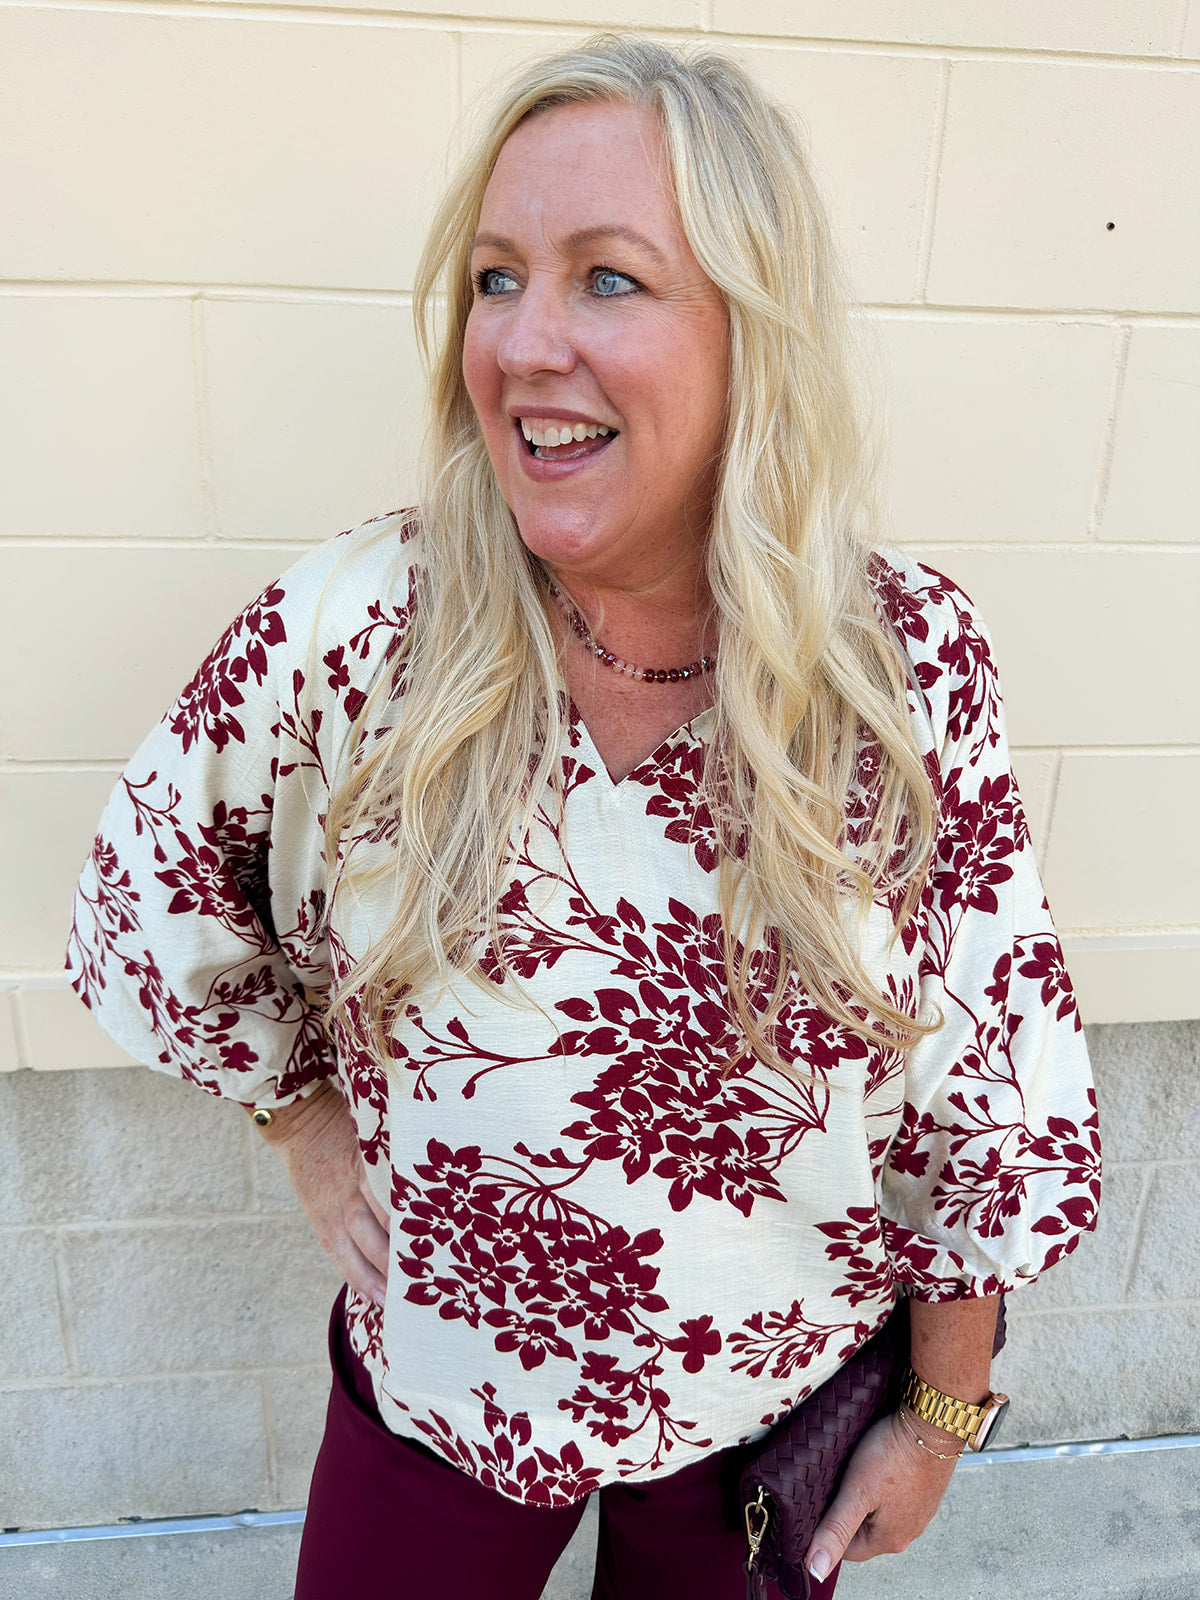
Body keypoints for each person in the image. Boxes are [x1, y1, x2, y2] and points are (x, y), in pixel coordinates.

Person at [67, 34, 1099, 1600]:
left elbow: (993, 1099)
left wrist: (941, 1413)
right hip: (449, 1388)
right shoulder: (355, 635)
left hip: (763, 1419)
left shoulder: (901, 672)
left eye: (608, 278)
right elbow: (156, 892)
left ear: (753, 327)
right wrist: (306, 1128)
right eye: (494, 279)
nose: (524, 343)